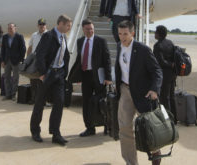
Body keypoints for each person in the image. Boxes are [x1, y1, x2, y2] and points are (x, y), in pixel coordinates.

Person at [115, 20, 162, 165]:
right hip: (125, 91)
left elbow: (157, 71)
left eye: (125, 34)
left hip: (143, 94)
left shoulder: (142, 49)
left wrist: (154, 89)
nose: (122, 37)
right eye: (120, 34)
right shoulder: (119, 47)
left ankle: (155, 155)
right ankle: (131, 162)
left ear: (132, 33)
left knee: (148, 129)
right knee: (124, 129)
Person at [30, 14, 72, 146]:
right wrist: (42, 73)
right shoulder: (48, 36)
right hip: (47, 74)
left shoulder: (64, 37)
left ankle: (55, 133)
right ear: (60, 24)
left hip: (59, 74)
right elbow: (40, 55)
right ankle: (35, 130)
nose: (69, 28)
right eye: (68, 26)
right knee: (40, 102)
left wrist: (64, 72)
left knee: (59, 102)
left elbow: (65, 55)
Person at [68, 19, 112, 137]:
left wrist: (108, 77)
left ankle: (107, 126)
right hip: (85, 76)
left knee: (102, 102)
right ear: (83, 29)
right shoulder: (80, 41)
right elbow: (79, 59)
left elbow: (107, 60)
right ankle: (89, 127)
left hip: (98, 76)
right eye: (88, 29)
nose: (90, 31)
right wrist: (75, 74)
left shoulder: (100, 41)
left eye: (92, 28)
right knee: (86, 103)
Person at [153, 25, 177, 123]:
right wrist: (172, 64)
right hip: (172, 74)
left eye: (155, 32)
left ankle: (167, 119)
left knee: (164, 97)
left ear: (158, 34)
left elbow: (159, 61)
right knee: (171, 96)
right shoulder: (170, 42)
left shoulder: (158, 45)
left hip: (164, 75)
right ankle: (174, 118)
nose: (154, 34)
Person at [1, 23, 26, 101]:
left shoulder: (19, 37)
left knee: (15, 78)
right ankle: (7, 94)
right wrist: (2, 60)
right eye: (8, 28)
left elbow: (23, 49)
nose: (10, 29)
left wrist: (20, 59)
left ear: (15, 28)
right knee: (6, 78)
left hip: (16, 61)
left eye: (11, 28)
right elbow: (3, 50)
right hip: (7, 61)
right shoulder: (5, 37)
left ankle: (13, 94)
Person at [27, 18, 48, 104]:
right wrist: (27, 60)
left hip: (45, 60)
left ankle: (43, 100)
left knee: (43, 81)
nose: (42, 26)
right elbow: (30, 47)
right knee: (33, 80)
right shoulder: (34, 35)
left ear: (46, 25)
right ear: (38, 25)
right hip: (34, 60)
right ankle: (33, 98)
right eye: (40, 24)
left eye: (43, 24)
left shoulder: (49, 35)